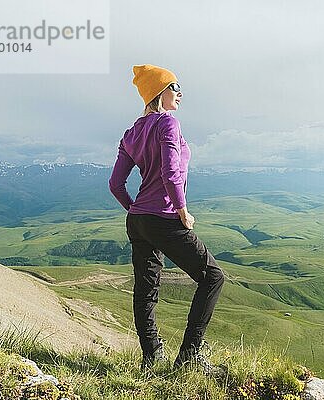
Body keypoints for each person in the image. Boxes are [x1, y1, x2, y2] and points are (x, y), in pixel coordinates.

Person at [109, 64, 225, 374]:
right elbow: (172, 172)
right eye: (175, 86)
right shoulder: (168, 123)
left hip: (138, 220)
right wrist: (182, 211)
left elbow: (115, 184)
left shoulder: (131, 132)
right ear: (160, 92)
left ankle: (152, 357)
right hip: (164, 217)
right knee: (213, 277)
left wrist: (135, 210)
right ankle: (190, 354)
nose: (180, 92)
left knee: (146, 290)